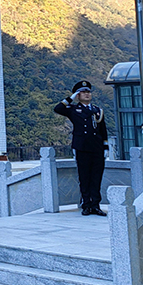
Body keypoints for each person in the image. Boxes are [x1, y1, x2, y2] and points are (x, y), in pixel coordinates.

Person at [54, 81, 109, 216]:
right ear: (78, 95)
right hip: (82, 148)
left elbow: (103, 130)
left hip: (97, 148)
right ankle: (86, 205)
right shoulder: (73, 109)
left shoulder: (97, 110)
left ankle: (95, 205)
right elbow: (58, 108)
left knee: (96, 177)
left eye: (88, 92)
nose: (87, 94)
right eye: (83, 92)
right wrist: (71, 98)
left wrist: (105, 147)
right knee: (84, 177)